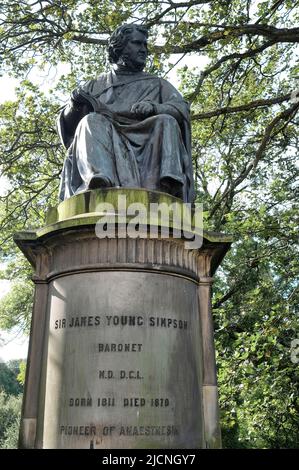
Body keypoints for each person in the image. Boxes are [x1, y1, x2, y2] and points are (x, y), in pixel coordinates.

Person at [57, 24, 195, 202]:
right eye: (137, 44)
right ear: (119, 47)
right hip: (106, 134)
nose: (144, 50)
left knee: (166, 121)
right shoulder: (96, 85)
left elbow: (181, 108)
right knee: (90, 121)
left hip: (146, 133)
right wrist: (73, 106)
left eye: (145, 45)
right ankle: (99, 179)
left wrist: (155, 108)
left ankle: (162, 188)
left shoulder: (157, 84)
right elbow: (68, 126)